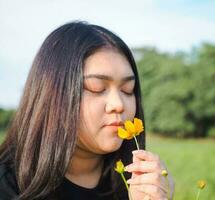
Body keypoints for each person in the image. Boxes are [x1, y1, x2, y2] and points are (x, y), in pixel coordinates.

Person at [0, 21, 174, 200]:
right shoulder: (9, 184)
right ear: (52, 94)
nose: (119, 104)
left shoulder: (138, 181)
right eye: (96, 87)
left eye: (127, 89)